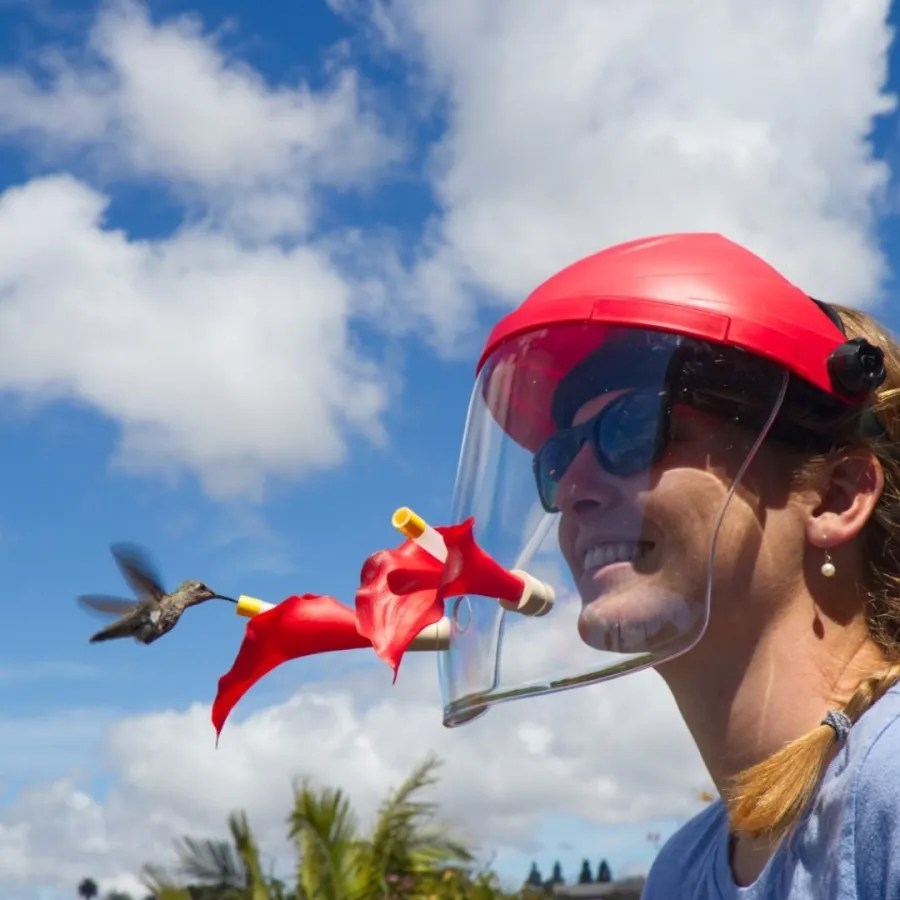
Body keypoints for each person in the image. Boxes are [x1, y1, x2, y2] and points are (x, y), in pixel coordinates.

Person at [439, 233, 900, 898]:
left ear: (836, 497)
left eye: (634, 431)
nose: (572, 490)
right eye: (557, 460)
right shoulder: (682, 869)